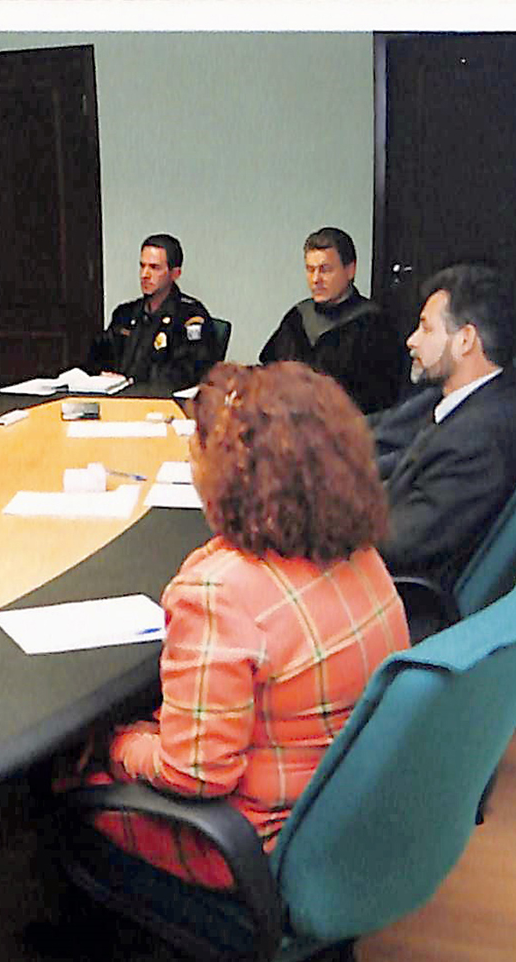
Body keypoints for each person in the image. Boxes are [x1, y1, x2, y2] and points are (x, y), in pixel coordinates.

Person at [54, 361, 409, 890]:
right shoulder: (362, 554)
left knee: (65, 774)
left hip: (249, 845)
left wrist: (116, 741)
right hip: (335, 815)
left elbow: (195, 775)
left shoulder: (218, 592)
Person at [373, 263, 516, 595]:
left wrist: (317, 523)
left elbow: (399, 543)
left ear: (465, 340)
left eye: (426, 329)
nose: (412, 340)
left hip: (394, 597)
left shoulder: (478, 439)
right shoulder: (480, 403)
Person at [258, 227, 408, 414]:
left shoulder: (374, 326)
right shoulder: (297, 318)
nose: (316, 279)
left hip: (347, 425)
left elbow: (381, 400)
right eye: (310, 270)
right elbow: (269, 372)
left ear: (350, 270)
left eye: (325, 270)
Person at [91, 233, 217, 393]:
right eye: (142, 266)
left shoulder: (190, 317)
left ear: (175, 274)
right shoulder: (125, 314)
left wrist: (132, 384)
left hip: (161, 402)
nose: (145, 275)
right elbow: (99, 356)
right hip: (118, 399)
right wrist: (101, 374)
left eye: (154, 268)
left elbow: (185, 375)